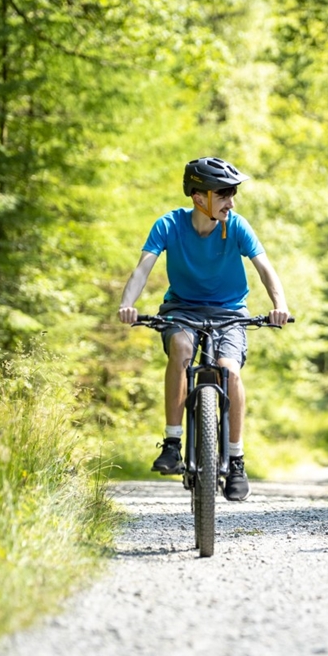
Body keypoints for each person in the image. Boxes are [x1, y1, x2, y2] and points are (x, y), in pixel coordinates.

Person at [117, 157, 290, 501]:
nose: (231, 201)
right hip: (182, 309)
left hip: (230, 312)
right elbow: (142, 270)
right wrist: (127, 304)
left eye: (233, 193)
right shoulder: (169, 225)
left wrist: (279, 306)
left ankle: (236, 459)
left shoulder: (237, 226)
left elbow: (265, 269)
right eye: (224, 194)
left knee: (230, 371)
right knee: (181, 348)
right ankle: (171, 443)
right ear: (199, 197)